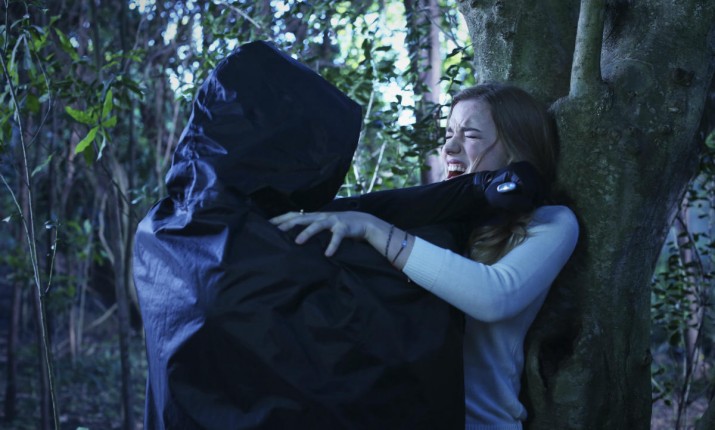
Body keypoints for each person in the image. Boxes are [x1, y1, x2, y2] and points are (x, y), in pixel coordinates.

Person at [270, 82, 580, 429]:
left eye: (470, 135)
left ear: (515, 149)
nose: (450, 147)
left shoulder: (551, 223)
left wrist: (374, 229)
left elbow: (494, 296)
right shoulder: (429, 218)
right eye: (448, 134)